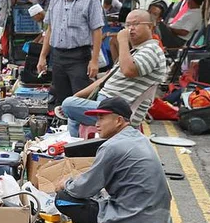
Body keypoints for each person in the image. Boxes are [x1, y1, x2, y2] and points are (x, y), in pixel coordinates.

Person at [55, 97, 171, 223]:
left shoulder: (112, 146)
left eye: (101, 118)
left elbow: (84, 189)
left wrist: (66, 184)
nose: (97, 124)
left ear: (118, 121)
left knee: (63, 199)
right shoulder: (140, 138)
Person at [60, 9, 167, 137]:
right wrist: (77, 96)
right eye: (128, 25)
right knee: (71, 106)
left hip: (119, 112)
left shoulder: (152, 50)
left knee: (68, 105)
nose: (130, 29)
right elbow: (105, 79)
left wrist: (122, 41)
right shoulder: (136, 51)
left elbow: (128, 70)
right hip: (106, 104)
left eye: (136, 24)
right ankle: (74, 147)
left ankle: (73, 147)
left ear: (150, 27)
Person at [37, 0, 105, 104]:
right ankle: (64, 126)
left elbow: (97, 30)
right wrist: (43, 56)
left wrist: (94, 61)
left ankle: (80, 126)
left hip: (79, 57)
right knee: (61, 99)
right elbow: (50, 29)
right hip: (57, 57)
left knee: (80, 99)